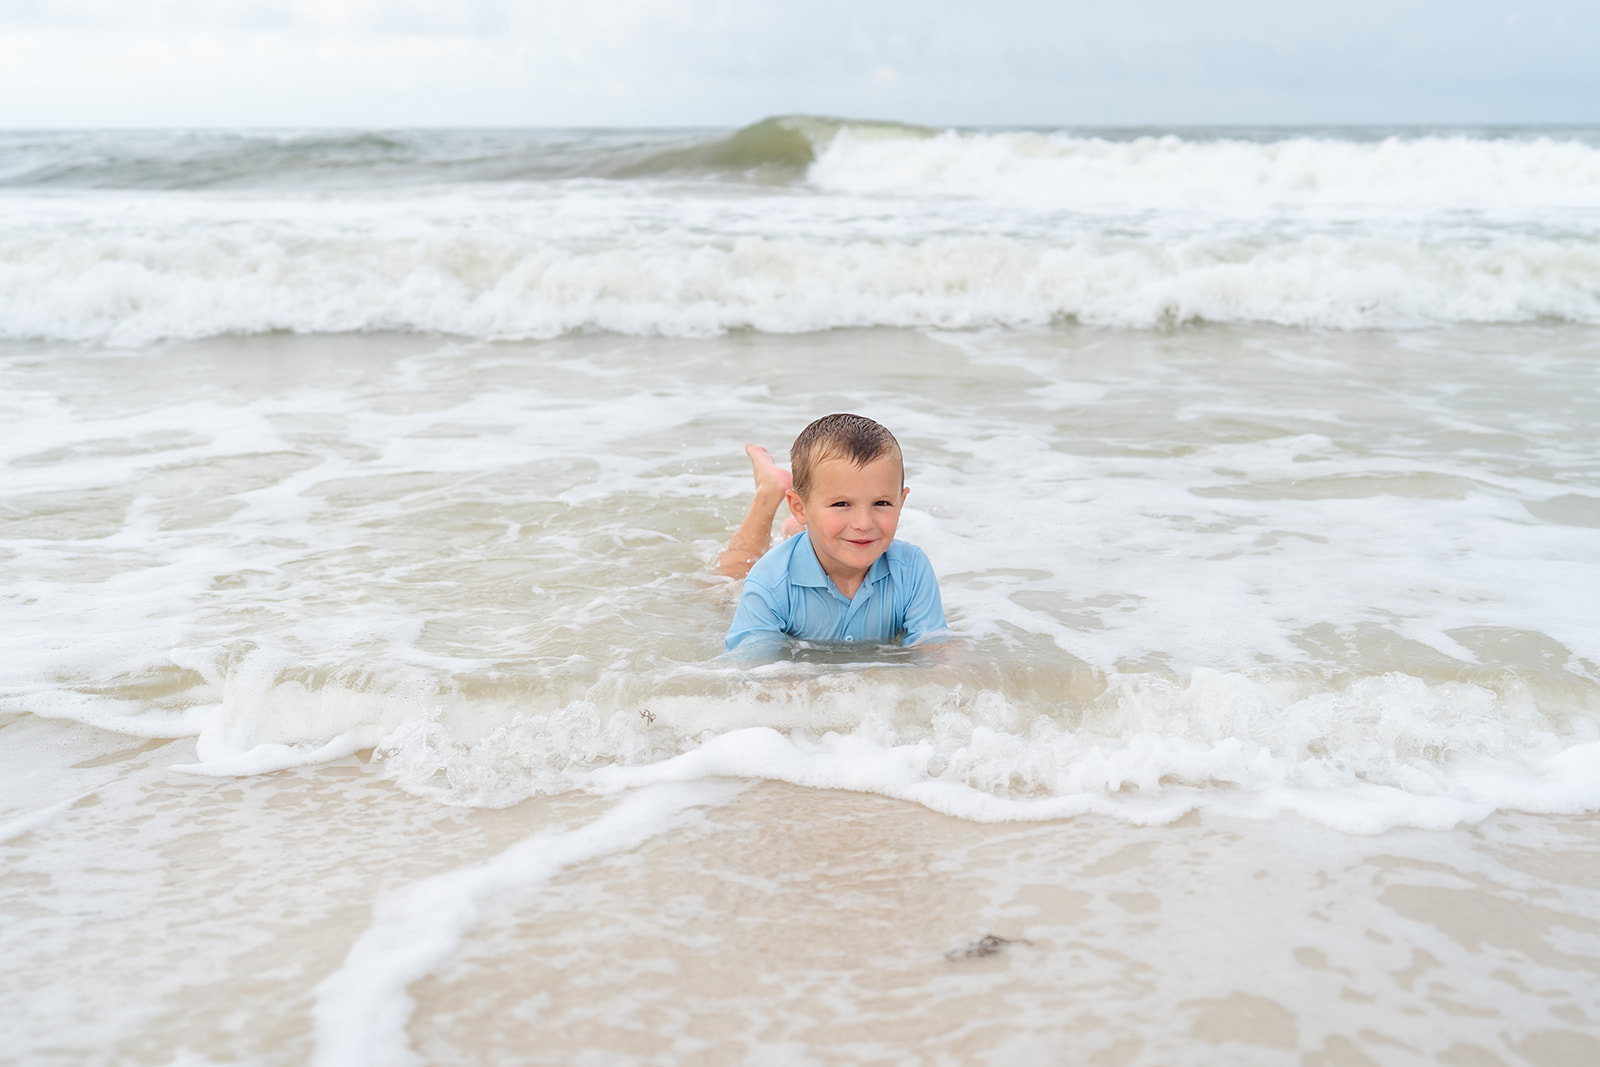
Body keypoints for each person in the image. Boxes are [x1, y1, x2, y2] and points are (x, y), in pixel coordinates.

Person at [718, 413, 946, 652]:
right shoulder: (769, 582)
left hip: (822, 535)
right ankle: (769, 491)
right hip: (770, 573)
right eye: (841, 504)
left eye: (881, 503)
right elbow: (757, 674)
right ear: (799, 507)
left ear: (901, 502)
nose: (864, 523)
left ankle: (805, 529)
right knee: (726, 579)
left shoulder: (911, 569)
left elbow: (934, 655)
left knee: (830, 535)